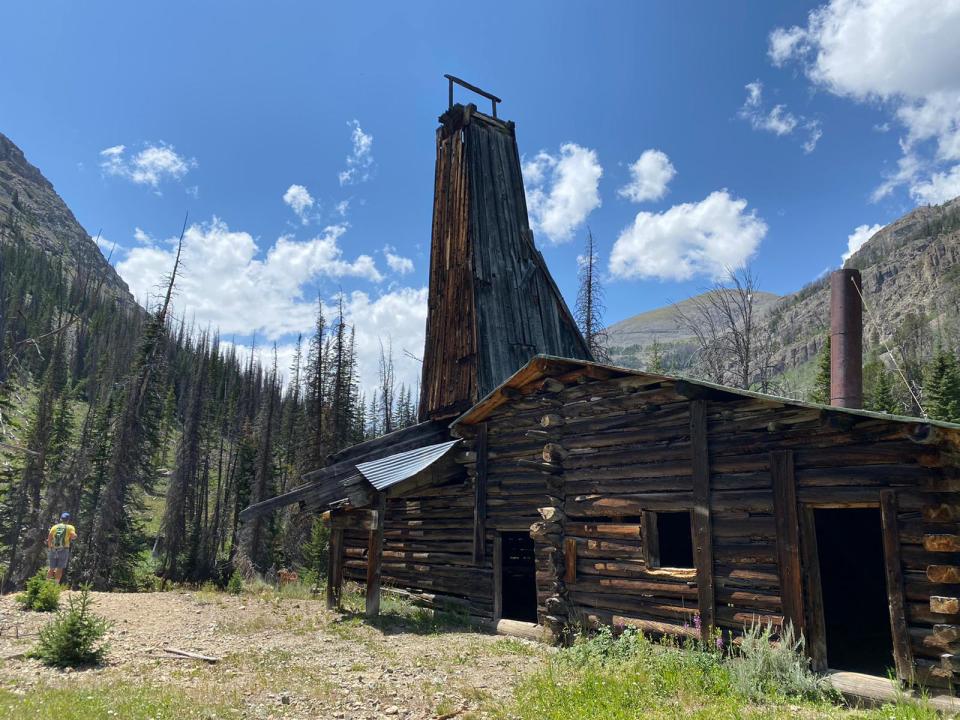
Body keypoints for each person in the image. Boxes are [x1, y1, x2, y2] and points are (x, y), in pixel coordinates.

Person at [47, 512, 77, 584]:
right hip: (64, 549)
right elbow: (74, 536)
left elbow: (49, 538)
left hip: (53, 549)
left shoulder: (54, 527)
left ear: (61, 519)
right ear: (68, 519)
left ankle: (46, 585)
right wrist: (73, 536)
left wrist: (49, 547)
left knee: (51, 568)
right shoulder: (70, 527)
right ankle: (56, 585)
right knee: (59, 569)